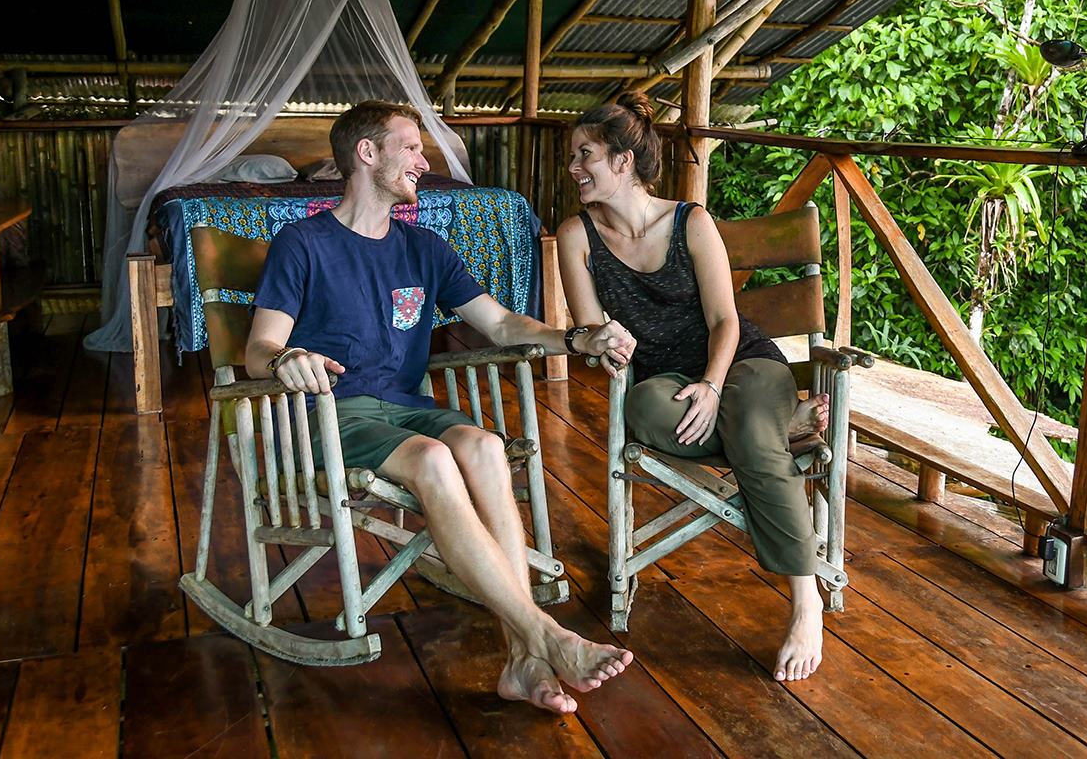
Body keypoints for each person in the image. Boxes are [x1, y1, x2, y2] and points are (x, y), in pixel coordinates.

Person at [246, 100, 636, 714]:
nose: (424, 163)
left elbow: (503, 325)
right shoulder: (303, 243)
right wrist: (283, 359)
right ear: (367, 153)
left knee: (481, 446)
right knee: (432, 459)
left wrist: (576, 339)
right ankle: (543, 635)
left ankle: (521, 657)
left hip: (406, 406)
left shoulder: (423, 246)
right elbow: (259, 347)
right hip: (333, 413)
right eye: (410, 147)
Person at [556, 91, 830, 683]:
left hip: (738, 363)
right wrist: (602, 342)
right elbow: (586, 328)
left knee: (749, 428)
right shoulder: (576, 234)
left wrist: (712, 386)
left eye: (586, 155)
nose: (574, 167)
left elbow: (725, 321)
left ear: (623, 161)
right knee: (644, 411)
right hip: (663, 381)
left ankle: (806, 602)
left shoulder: (690, 221)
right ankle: (783, 425)